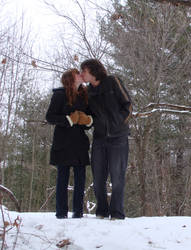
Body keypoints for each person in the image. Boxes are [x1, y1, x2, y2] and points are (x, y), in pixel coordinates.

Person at [80, 59, 132, 220]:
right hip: (99, 139)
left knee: (117, 177)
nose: (82, 74)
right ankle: (101, 212)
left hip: (119, 138)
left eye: (84, 71)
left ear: (93, 71)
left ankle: (117, 213)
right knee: (98, 178)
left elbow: (128, 105)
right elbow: (88, 116)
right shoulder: (87, 91)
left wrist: (119, 124)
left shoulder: (112, 81)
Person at [46, 68, 93, 219]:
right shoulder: (59, 94)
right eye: (76, 73)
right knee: (62, 178)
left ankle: (78, 213)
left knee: (80, 179)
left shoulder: (85, 96)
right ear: (70, 78)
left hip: (80, 142)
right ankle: (61, 213)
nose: (80, 74)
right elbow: (50, 117)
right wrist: (68, 120)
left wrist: (87, 121)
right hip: (63, 142)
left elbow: (90, 120)